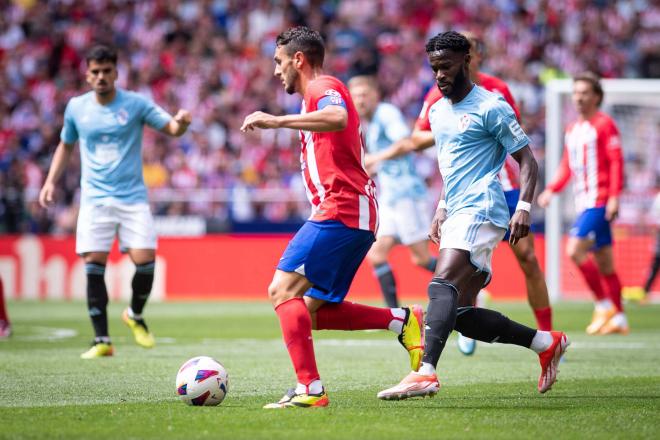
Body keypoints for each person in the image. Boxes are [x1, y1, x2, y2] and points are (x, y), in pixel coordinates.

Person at [377, 32, 569, 400]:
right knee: (459, 313)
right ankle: (546, 343)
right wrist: (442, 208)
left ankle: (425, 372)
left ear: (467, 60)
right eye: (434, 68)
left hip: (483, 207)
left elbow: (527, 160)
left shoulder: (491, 106)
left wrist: (524, 207)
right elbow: (452, 169)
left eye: (446, 67)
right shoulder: (436, 111)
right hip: (458, 209)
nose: (439, 76)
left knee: (440, 283)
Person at [240, 26, 425, 409]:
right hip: (349, 210)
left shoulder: (322, 86)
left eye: (278, 62)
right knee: (309, 310)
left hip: (342, 208)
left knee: (281, 290)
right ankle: (402, 320)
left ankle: (310, 389)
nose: (276, 72)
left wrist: (275, 121)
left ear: (298, 59)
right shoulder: (314, 94)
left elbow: (338, 117)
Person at [38, 44, 192, 358]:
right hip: (94, 199)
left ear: (116, 73)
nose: (101, 77)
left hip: (132, 198)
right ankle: (102, 341)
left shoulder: (135, 104)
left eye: (106, 71)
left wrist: (182, 123)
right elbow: (65, 146)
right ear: (87, 74)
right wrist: (50, 181)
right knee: (94, 264)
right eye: (95, 71)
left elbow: (172, 129)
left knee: (145, 260)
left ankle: (134, 314)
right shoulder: (76, 108)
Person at [538, 72, 628, 335]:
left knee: (574, 250)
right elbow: (567, 164)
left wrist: (613, 197)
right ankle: (620, 319)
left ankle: (603, 305)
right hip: (583, 201)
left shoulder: (604, 124)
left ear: (596, 97)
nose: (578, 97)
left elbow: (616, 163)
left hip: (599, 201)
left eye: (584, 92)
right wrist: (552, 190)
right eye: (576, 92)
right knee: (606, 263)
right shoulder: (573, 129)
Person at [348, 75, 437, 308]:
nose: (360, 101)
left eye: (364, 95)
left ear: (376, 95)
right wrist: (372, 168)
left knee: (421, 258)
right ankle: (397, 316)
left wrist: (375, 157)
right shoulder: (370, 121)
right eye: (355, 96)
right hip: (391, 198)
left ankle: (470, 286)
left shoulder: (386, 113)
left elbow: (406, 143)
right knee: (376, 255)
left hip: (407, 194)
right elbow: (389, 159)